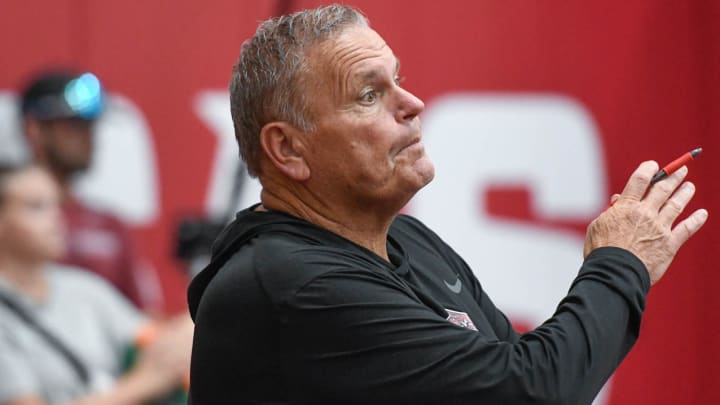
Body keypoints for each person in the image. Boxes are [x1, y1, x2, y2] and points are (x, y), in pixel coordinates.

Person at [187, 5, 708, 404]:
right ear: (289, 149)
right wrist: (620, 262)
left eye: (399, 80)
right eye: (368, 95)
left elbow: (517, 368)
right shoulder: (294, 285)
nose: (411, 104)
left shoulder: (408, 240)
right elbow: (533, 391)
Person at [0, 163, 191, 405]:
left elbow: (152, 339)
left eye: (56, 205)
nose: (56, 219)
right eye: (36, 207)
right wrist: (145, 382)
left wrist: (195, 320)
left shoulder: (84, 287)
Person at [18, 70, 162, 312]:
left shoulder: (109, 226)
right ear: (35, 129)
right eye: (73, 125)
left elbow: (144, 321)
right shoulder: (10, 219)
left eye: (90, 126)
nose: (88, 137)